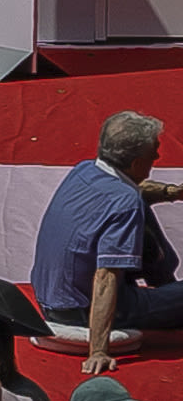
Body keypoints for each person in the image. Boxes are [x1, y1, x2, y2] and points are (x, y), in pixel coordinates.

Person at [34, 107, 183, 366]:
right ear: (137, 163)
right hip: (82, 311)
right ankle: (166, 299)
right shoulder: (125, 202)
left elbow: (136, 188)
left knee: (138, 203)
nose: (158, 156)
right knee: (135, 206)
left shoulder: (85, 170)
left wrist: (173, 192)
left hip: (53, 298)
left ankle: (165, 288)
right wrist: (99, 351)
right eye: (153, 153)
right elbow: (106, 276)